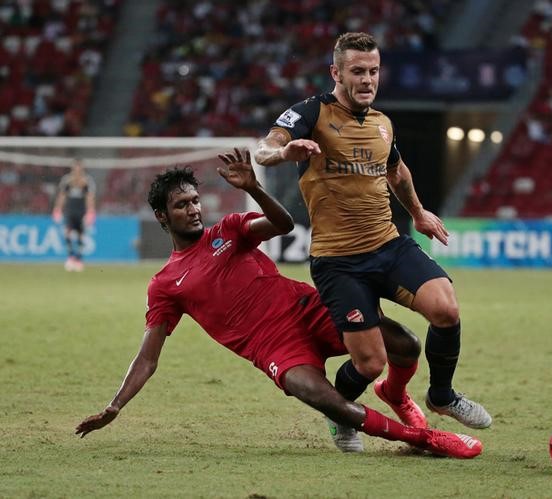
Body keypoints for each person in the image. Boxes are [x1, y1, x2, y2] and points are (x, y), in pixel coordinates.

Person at [75, 149, 482, 460]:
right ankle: (426, 439)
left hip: (308, 307)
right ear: (163, 218)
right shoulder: (165, 284)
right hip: (274, 349)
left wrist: (252, 188)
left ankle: (396, 393)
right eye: (182, 205)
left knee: (405, 345)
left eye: (195, 200)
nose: (194, 209)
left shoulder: (230, 231)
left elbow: (284, 224)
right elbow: (148, 358)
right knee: (327, 400)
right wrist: (115, 406)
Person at [254, 32, 492, 446]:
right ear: (336, 73)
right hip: (338, 261)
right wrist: (282, 154)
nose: (367, 80)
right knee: (369, 364)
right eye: (358, 71)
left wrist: (418, 214)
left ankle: (441, 395)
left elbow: (397, 173)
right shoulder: (311, 113)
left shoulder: (383, 123)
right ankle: (342, 415)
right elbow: (264, 148)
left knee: (446, 308)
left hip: (388, 244)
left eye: (374, 71)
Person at [52, 159, 96, 271]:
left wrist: (90, 211)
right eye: (75, 168)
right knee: (67, 233)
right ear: (72, 169)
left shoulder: (86, 181)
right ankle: (71, 257)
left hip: (81, 211)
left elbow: (89, 197)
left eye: (79, 168)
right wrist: (57, 209)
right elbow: (62, 196)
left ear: (82, 169)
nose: (77, 171)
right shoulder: (67, 181)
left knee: (81, 235)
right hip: (70, 210)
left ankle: (79, 259)